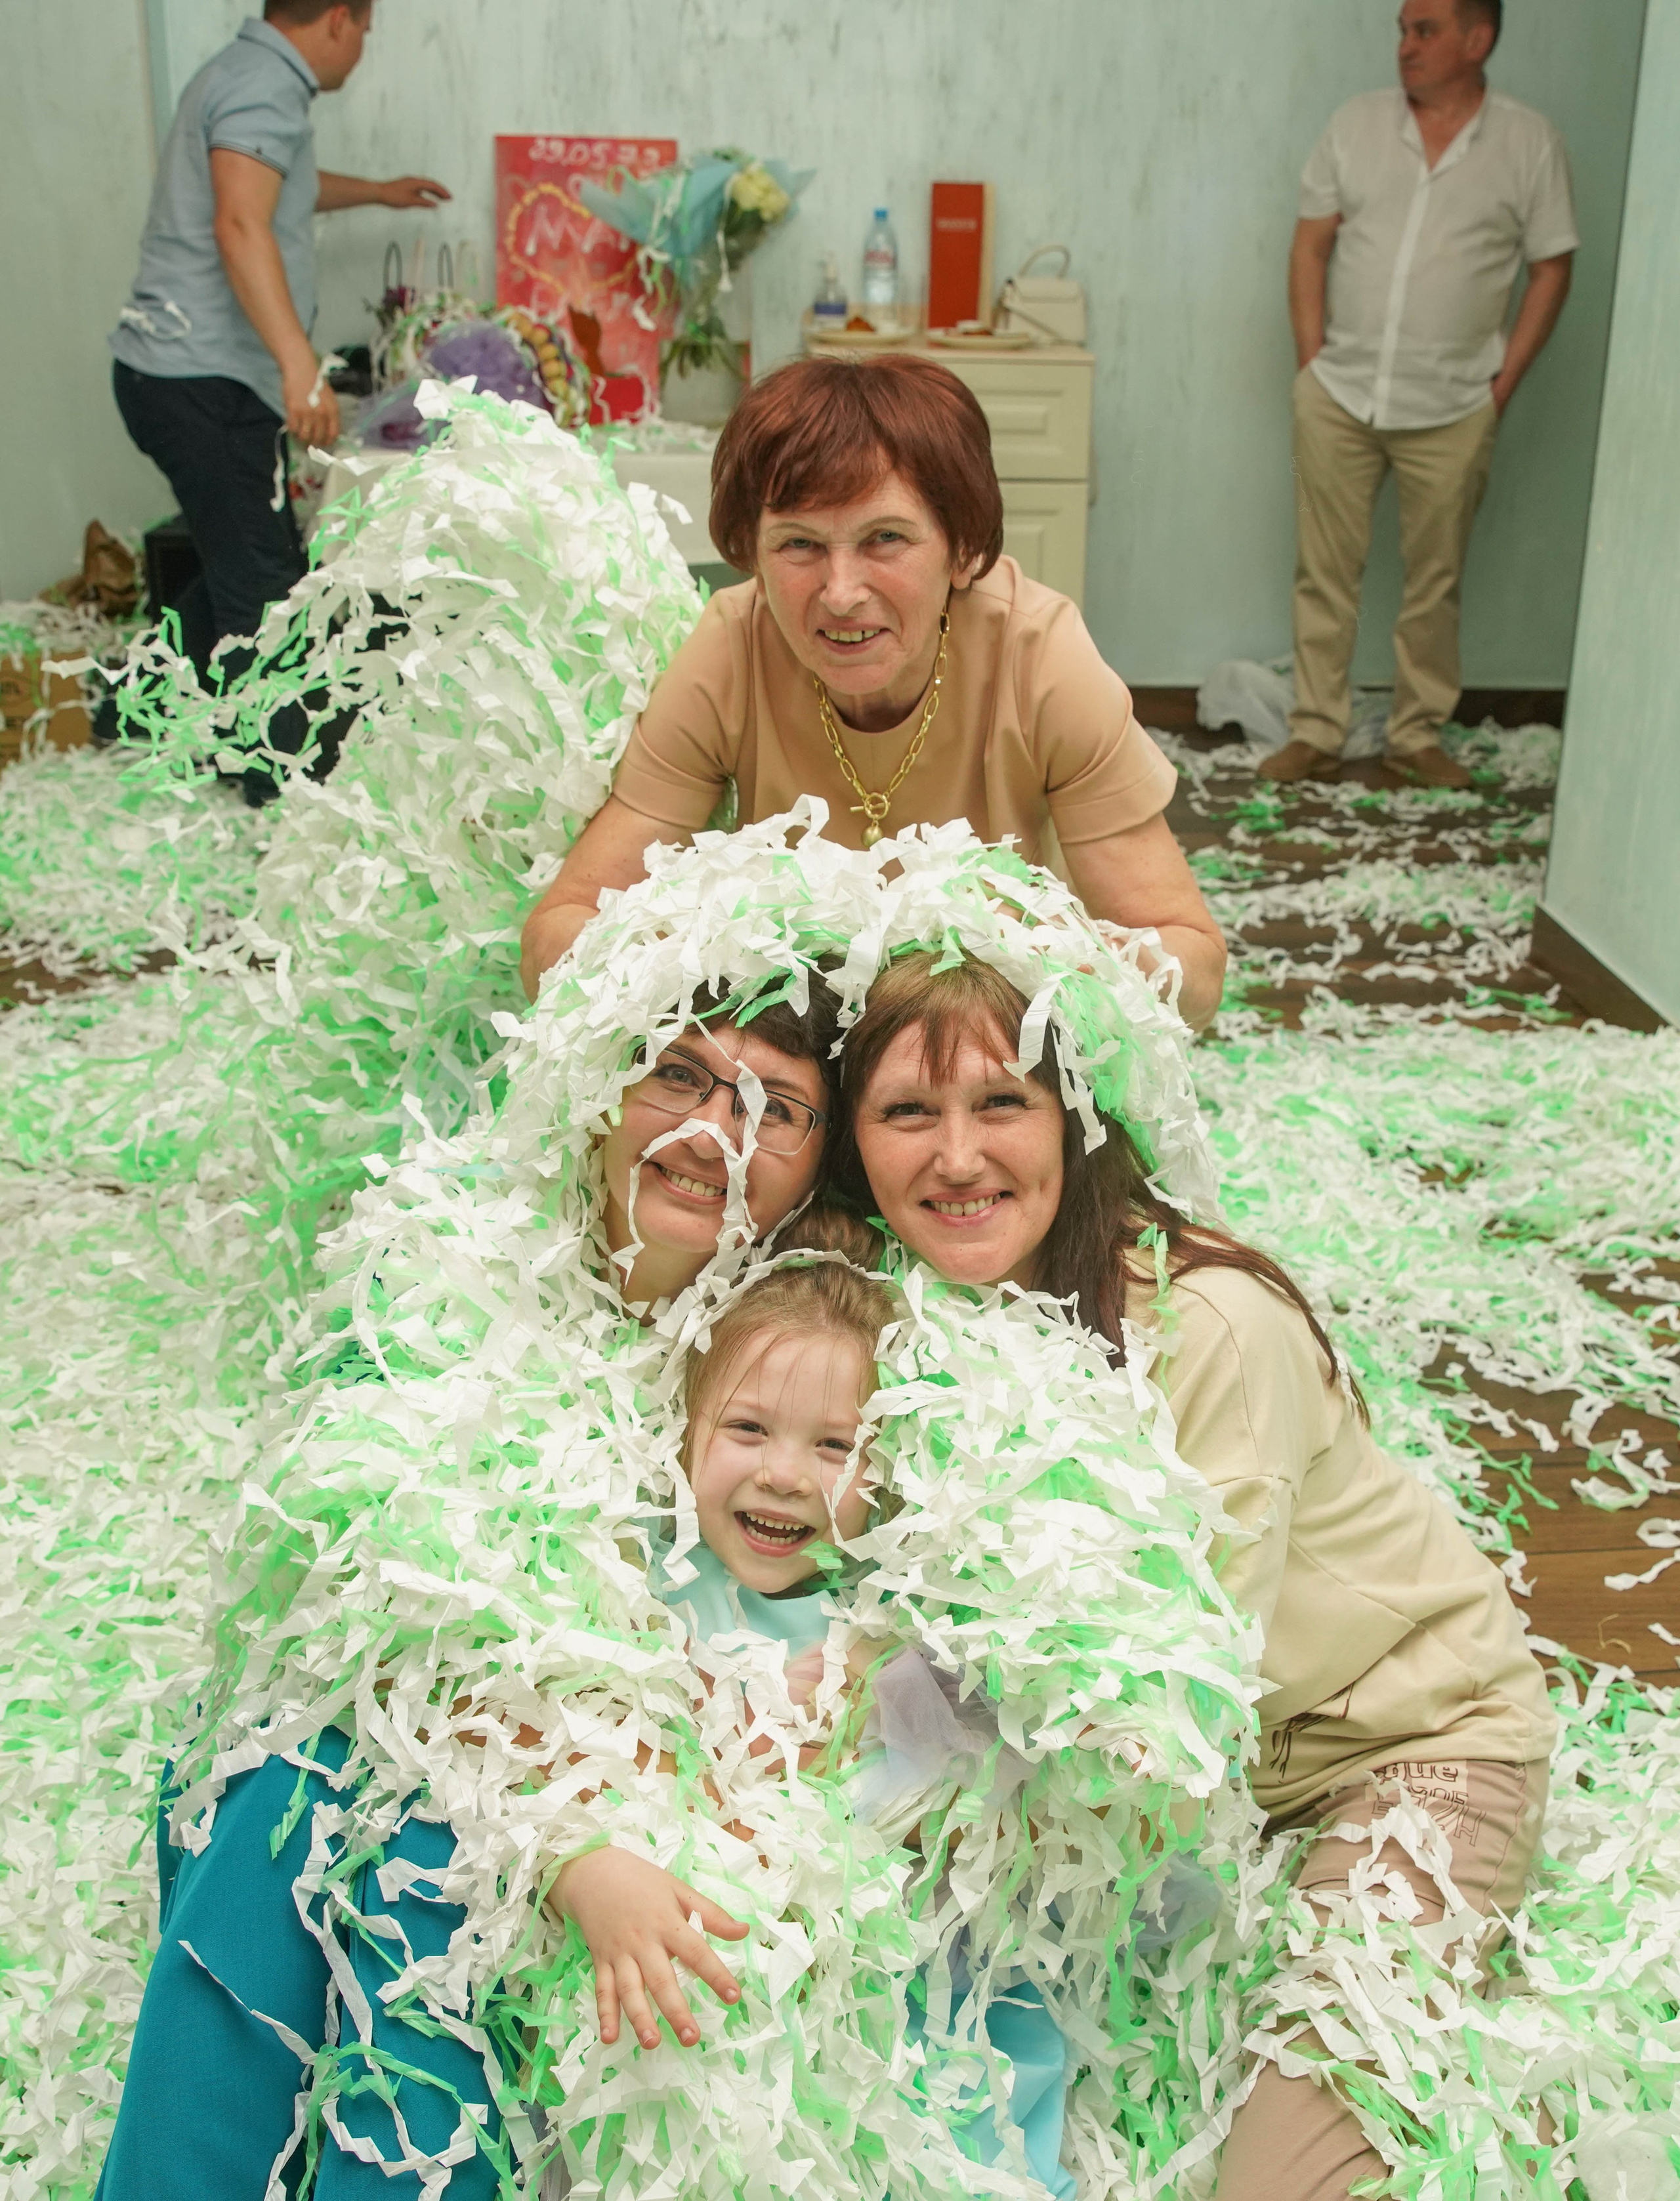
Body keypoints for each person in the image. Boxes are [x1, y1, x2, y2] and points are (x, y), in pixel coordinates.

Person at [834, 948, 1557, 2201]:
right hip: (1202, 1816)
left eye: (1002, 1101)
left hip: (1399, 1744)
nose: (957, 1156)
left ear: (1076, 1116)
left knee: (1284, 2168)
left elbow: (1177, 1700)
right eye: (910, 1110)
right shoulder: (910, 1312)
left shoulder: (1211, 1325)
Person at [95, 994, 839, 2200]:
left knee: (437, 1858)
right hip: (418, 1718)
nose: (715, 1131)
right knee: (301, 1788)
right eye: (678, 1076)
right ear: (597, 1088)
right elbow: (370, 1593)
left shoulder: (812, 1331)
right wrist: (565, 1827)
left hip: (674, 1768)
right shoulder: (447, 1256)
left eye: (778, 1107)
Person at [556, 1239, 1077, 2198]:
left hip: (888, 2048)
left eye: (835, 1446)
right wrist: (585, 1865)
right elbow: (547, 1760)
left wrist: (876, 1708)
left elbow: (973, 1831)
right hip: (680, 2045)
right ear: (684, 1435)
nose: (786, 1475)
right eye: (748, 1428)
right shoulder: (635, 1585)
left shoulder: (900, 1627)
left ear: (886, 1470)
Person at [519, 352, 1227, 1028]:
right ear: (753, 553)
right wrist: (698, 962)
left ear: (964, 549)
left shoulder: (1040, 656)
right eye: (798, 545)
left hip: (988, 1037)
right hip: (787, 1042)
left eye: (885, 539)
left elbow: (1194, 972)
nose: (841, 593)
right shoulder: (732, 646)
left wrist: (1036, 958)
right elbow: (557, 936)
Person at [1263, 0, 1577, 791]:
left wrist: (1502, 383)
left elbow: (1551, 266)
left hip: (1454, 406)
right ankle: (1316, 732)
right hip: (1339, 396)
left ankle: (1415, 735)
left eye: (1425, 30)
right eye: (1402, 30)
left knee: (1435, 581)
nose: (1405, 46)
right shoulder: (1357, 124)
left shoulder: (1527, 142)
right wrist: (1310, 360)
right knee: (1323, 572)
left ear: (1479, 39)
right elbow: (1310, 244)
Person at [109, 1, 449, 690]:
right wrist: (300, 366)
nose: (359, 51)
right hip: (204, 379)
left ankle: (132, 713)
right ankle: (271, 778)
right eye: (364, 33)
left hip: (178, 374)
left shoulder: (243, 73)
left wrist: (378, 193)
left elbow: (273, 186)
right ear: (336, 20)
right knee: (264, 589)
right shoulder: (264, 82)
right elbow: (240, 220)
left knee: (242, 561)